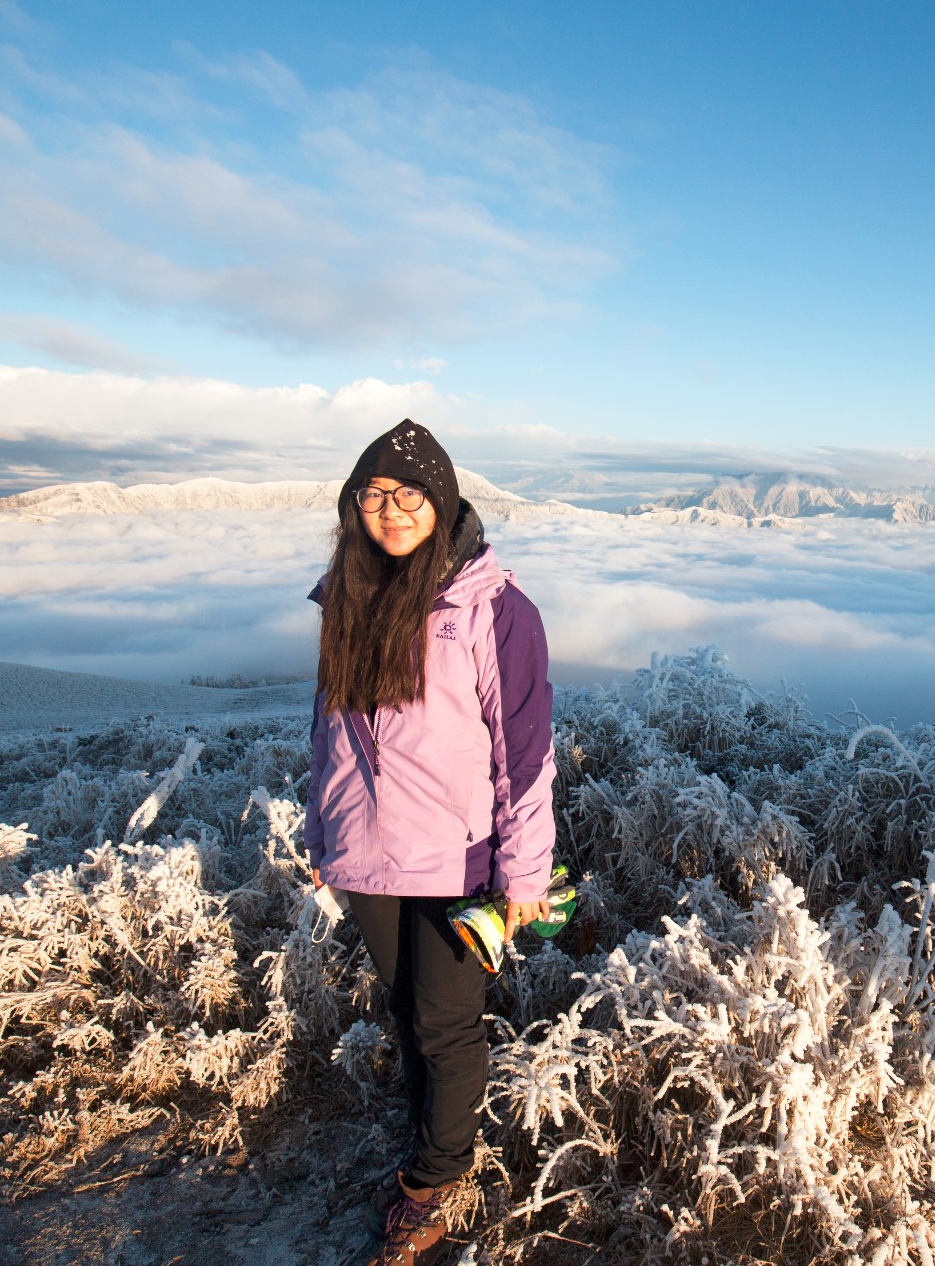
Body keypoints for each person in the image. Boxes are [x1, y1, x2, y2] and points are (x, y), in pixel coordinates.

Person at [303, 418, 555, 1266]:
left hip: (459, 855)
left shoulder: (493, 607)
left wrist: (525, 872)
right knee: (407, 1015)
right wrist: (325, 828)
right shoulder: (349, 595)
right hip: (369, 856)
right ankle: (429, 1148)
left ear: (442, 503)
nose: (393, 508)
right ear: (354, 504)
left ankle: (438, 1179)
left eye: (410, 493)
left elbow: (525, 748)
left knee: (446, 1026)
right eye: (375, 493)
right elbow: (329, 729)